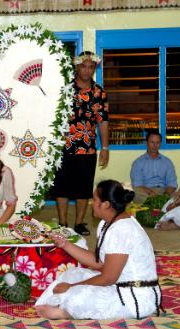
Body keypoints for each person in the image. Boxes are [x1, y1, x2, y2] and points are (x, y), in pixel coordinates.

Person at [35, 180, 162, 320]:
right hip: (117, 286)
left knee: (76, 296)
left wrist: (71, 287)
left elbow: (108, 278)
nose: (91, 203)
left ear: (106, 204)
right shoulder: (107, 223)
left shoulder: (123, 229)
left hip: (135, 297)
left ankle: (62, 312)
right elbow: (99, 263)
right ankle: (61, 304)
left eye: (94, 199)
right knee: (73, 273)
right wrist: (65, 244)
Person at [51, 51, 110, 236]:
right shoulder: (64, 89)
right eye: (83, 66)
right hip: (63, 145)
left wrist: (105, 147)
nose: (87, 70)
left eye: (91, 66)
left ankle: (78, 224)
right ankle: (62, 223)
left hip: (87, 147)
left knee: (83, 187)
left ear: (95, 68)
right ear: (76, 66)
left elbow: (103, 121)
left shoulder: (99, 92)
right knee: (62, 186)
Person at [130, 130, 177, 203]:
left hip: (164, 191)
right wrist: (151, 193)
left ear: (160, 143)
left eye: (157, 142)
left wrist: (165, 195)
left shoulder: (167, 162)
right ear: (146, 143)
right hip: (146, 192)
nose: (155, 145)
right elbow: (138, 184)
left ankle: (159, 203)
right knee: (134, 194)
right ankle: (164, 204)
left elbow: (172, 184)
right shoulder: (138, 162)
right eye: (152, 142)